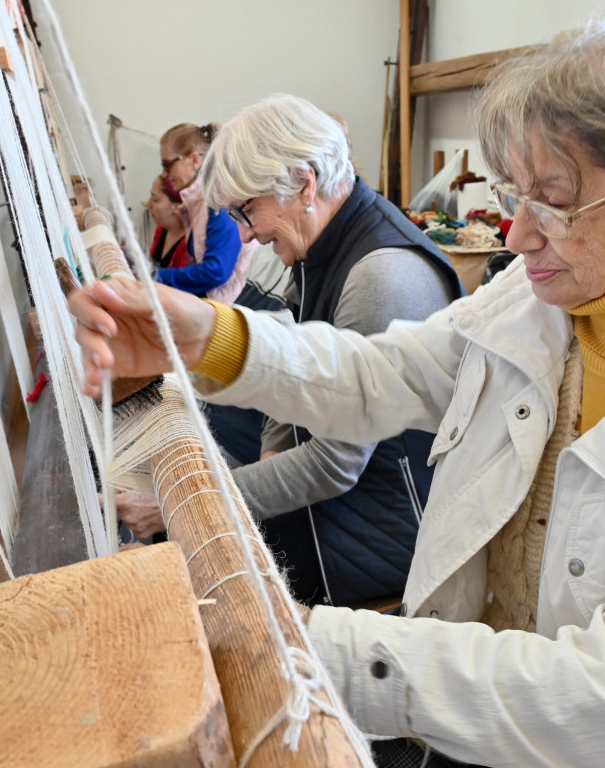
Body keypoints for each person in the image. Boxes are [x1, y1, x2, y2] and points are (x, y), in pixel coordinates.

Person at [72, 14, 605, 768]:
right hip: (475, 708)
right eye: (515, 195)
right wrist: (211, 336)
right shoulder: (540, 299)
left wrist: (303, 636)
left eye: (553, 199)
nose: (515, 236)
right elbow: (383, 374)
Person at [204, 93, 463, 606]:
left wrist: (206, 502)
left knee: (217, 579)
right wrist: (271, 455)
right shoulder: (319, 244)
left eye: (247, 209)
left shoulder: (382, 275)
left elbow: (335, 463)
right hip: (354, 503)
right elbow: (292, 349)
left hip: (389, 535)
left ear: (305, 183)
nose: (247, 234)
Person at [156, 121, 253, 303]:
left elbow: (216, 270)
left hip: (235, 306)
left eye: (167, 164)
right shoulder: (198, 203)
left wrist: (157, 276)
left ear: (194, 159)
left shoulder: (218, 200)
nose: (164, 174)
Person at [145, 175, 190, 270]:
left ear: (177, 207)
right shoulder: (162, 228)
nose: (148, 204)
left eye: (155, 200)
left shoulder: (191, 246)